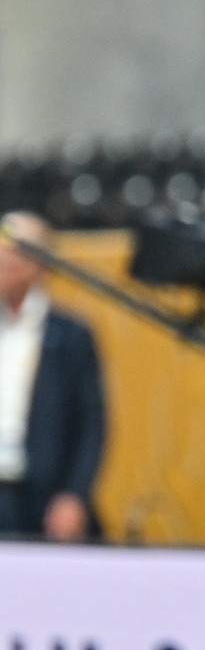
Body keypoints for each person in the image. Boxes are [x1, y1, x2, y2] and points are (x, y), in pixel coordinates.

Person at [0, 210, 106, 542]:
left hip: (40, 493)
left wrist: (74, 493)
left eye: (12, 251)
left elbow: (92, 423)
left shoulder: (69, 335)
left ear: (38, 264)